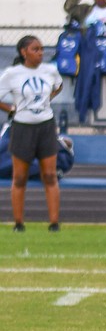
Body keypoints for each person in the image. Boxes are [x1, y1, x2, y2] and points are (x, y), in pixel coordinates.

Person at [0, 36, 63, 233]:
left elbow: (58, 85)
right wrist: (11, 109)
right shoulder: (12, 73)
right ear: (23, 52)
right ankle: (19, 224)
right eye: (35, 49)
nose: (40, 53)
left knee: (50, 175)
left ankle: (54, 223)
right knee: (19, 177)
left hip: (45, 126)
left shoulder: (50, 70)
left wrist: (46, 100)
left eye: (42, 49)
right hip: (22, 128)